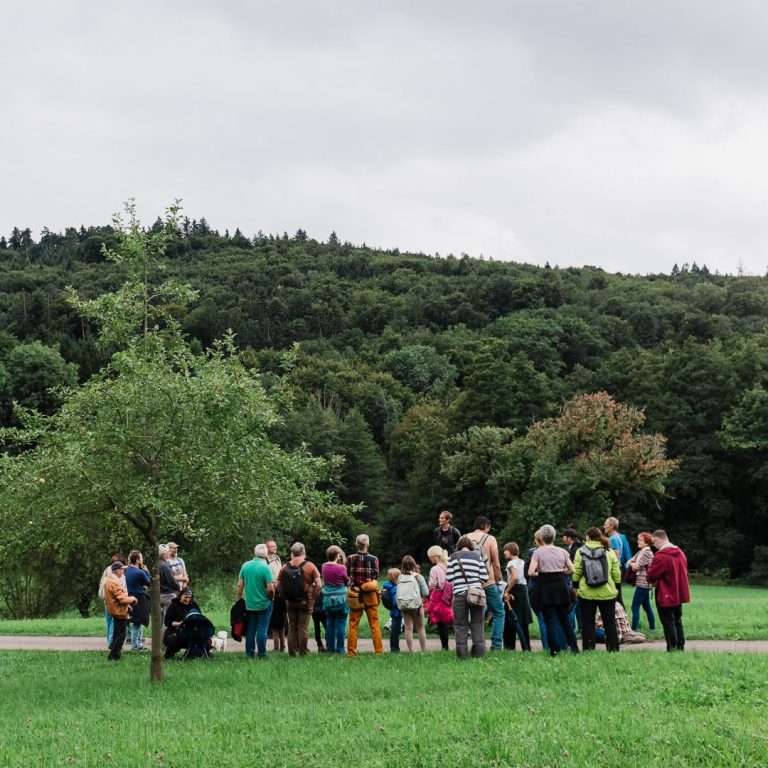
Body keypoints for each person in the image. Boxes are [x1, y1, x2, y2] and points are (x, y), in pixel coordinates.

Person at [528, 525, 579, 656]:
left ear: (541, 537)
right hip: (561, 586)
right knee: (565, 619)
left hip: (546, 588)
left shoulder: (537, 552)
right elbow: (572, 569)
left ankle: (554, 650)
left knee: (549, 620)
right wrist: (562, 572)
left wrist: (540, 573)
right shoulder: (562, 551)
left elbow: (530, 572)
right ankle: (574, 648)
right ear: (554, 537)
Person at [572, 527, 622, 652]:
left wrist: (576, 585)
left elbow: (576, 571)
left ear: (588, 537)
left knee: (587, 622)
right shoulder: (609, 551)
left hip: (586, 592)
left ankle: (589, 648)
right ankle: (613, 648)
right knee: (609, 622)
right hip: (607, 592)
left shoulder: (580, 551)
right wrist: (617, 586)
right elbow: (616, 572)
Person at [646, 529, 690, 652]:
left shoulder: (661, 556)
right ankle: (680, 646)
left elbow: (651, 576)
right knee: (677, 620)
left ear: (658, 540)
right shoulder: (680, 552)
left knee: (668, 622)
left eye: (654, 543)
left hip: (665, 594)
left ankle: (672, 647)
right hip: (678, 593)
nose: (654, 546)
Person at [277, 542, 322, 656]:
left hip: (290, 602)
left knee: (292, 626)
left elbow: (279, 585)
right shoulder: (310, 566)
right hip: (306, 602)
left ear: (292, 553)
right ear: (303, 552)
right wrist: (313, 597)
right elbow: (319, 584)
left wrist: (285, 597)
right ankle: (303, 651)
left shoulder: (284, 567)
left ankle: (292, 652)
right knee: (303, 627)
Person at [467, 516, 505, 651]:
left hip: (470, 583)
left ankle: (478, 645)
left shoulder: (464, 538)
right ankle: (496, 645)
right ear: (486, 526)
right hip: (488, 581)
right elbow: (495, 562)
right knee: (499, 612)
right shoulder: (490, 539)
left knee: (477, 615)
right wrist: (498, 579)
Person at [447, 536, 488, 659]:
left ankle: (462, 655)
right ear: (470, 545)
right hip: (476, 595)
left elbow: (449, 577)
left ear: (459, 545)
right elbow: (485, 576)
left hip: (459, 594)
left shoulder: (453, 557)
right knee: (477, 623)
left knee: (460, 625)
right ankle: (479, 654)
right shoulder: (477, 556)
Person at [236, 543, 276, 658]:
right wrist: (271, 598)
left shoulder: (245, 565)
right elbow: (270, 589)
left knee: (251, 628)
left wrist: (238, 599)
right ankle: (262, 653)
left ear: (255, 553)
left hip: (250, 604)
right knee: (262, 629)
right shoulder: (266, 568)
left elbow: (240, 585)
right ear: (266, 554)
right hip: (264, 603)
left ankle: (249, 652)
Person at [346, 534, 383, 656]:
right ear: (368, 544)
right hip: (370, 594)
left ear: (356, 544)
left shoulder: (350, 558)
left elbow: (347, 575)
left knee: (353, 624)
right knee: (374, 623)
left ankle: (352, 652)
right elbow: (376, 576)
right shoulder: (374, 559)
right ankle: (378, 651)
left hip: (355, 594)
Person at [104, 561, 136, 661]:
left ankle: (114, 654)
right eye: (122, 569)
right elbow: (121, 598)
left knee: (117, 633)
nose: (123, 571)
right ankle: (114, 655)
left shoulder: (110, 580)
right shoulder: (115, 582)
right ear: (117, 570)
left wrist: (128, 605)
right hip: (119, 611)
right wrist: (133, 599)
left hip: (116, 610)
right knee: (121, 635)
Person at [502, 542, 531, 651]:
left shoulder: (511, 563)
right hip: (523, 590)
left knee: (511, 619)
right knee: (523, 619)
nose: (504, 552)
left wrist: (507, 591)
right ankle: (526, 647)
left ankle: (509, 647)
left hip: (514, 590)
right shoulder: (522, 562)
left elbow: (515, 578)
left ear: (510, 550)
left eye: (505, 550)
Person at [397, 556, 429, 652]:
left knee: (408, 628)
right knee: (420, 627)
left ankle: (411, 650)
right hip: (417, 606)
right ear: (414, 565)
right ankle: (423, 650)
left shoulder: (400, 577)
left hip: (404, 605)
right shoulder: (418, 577)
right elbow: (426, 593)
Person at [321, 545, 349, 654]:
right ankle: (340, 648)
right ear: (338, 555)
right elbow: (346, 581)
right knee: (341, 624)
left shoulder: (324, 566)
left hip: (327, 598)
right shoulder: (342, 568)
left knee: (330, 624)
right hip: (341, 598)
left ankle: (330, 648)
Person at [425, 545, 453, 650]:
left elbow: (432, 584)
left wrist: (429, 586)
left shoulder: (435, 569)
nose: (430, 559)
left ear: (434, 556)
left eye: (430, 557)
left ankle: (445, 647)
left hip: (438, 596)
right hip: (450, 595)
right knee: (449, 619)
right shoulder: (449, 565)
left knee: (441, 622)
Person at [628, 532, 656, 631]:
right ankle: (652, 628)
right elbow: (629, 561)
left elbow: (635, 566)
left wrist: (632, 563)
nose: (638, 541)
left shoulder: (646, 552)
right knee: (646, 607)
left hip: (643, 584)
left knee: (634, 606)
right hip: (644, 583)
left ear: (647, 542)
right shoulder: (641, 551)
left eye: (640, 540)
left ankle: (633, 629)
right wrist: (632, 563)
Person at [163, 588, 202, 659]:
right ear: (180, 596)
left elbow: (199, 617)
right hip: (175, 631)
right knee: (173, 638)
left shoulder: (194, 605)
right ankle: (169, 655)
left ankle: (190, 655)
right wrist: (179, 623)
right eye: (185, 597)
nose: (187, 599)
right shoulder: (174, 605)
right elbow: (167, 622)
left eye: (189, 598)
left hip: (191, 631)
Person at [125, 550, 151, 651]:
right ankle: (135, 645)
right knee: (137, 622)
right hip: (139, 598)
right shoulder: (139, 572)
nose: (142, 559)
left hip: (129, 597)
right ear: (137, 560)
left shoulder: (127, 570)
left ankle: (138, 644)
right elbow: (149, 582)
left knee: (135, 621)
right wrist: (146, 571)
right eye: (141, 558)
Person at [98, 553, 126, 648]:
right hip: (115, 600)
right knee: (114, 622)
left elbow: (102, 584)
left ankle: (109, 640)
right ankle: (111, 642)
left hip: (107, 599)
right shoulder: (117, 573)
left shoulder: (107, 570)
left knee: (108, 621)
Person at [265, 539, 286, 653]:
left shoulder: (278, 558)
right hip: (271, 591)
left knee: (281, 619)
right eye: (272, 546)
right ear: (267, 548)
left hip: (280, 591)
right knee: (274, 620)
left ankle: (282, 645)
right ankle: (276, 645)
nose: (274, 548)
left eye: (275, 546)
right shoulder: (265, 560)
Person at [381, 568, 402, 653]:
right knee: (395, 631)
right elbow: (395, 602)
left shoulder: (387, 586)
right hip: (397, 611)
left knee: (395, 630)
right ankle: (394, 648)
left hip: (393, 611)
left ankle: (394, 648)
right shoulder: (395, 588)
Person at [159, 545, 180, 623]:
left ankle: (159, 634)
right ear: (164, 553)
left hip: (159, 594)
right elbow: (171, 580)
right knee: (168, 619)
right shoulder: (165, 566)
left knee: (160, 619)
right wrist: (178, 588)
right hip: (167, 595)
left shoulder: (157, 564)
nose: (169, 553)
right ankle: (165, 634)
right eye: (168, 552)